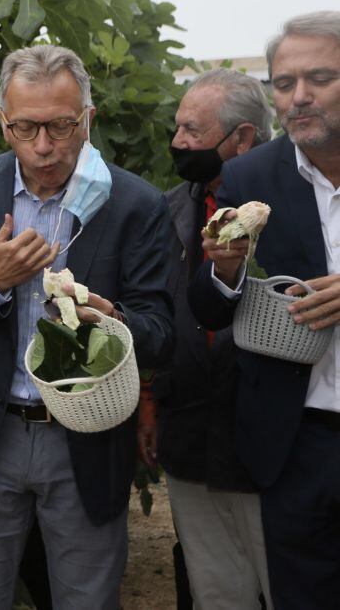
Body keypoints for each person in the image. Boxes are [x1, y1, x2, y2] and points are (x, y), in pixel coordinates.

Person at [0, 44, 173, 608]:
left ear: (88, 118)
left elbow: (162, 329)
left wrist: (115, 322)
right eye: (25, 127)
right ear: (1, 123)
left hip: (86, 437)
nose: (43, 146)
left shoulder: (134, 203)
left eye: (60, 126)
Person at [188, 11, 340, 609]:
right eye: (283, 83)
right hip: (298, 439)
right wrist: (223, 270)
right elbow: (209, 311)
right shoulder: (252, 175)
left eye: (320, 78)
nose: (298, 97)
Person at [139, 68, 274, 609]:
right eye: (177, 128)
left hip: (268, 436)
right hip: (190, 427)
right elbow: (159, 310)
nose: (178, 143)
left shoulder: (291, 206)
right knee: (215, 586)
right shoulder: (170, 209)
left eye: (192, 130)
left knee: (286, 581)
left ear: (241, 138)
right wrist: (150, 400)